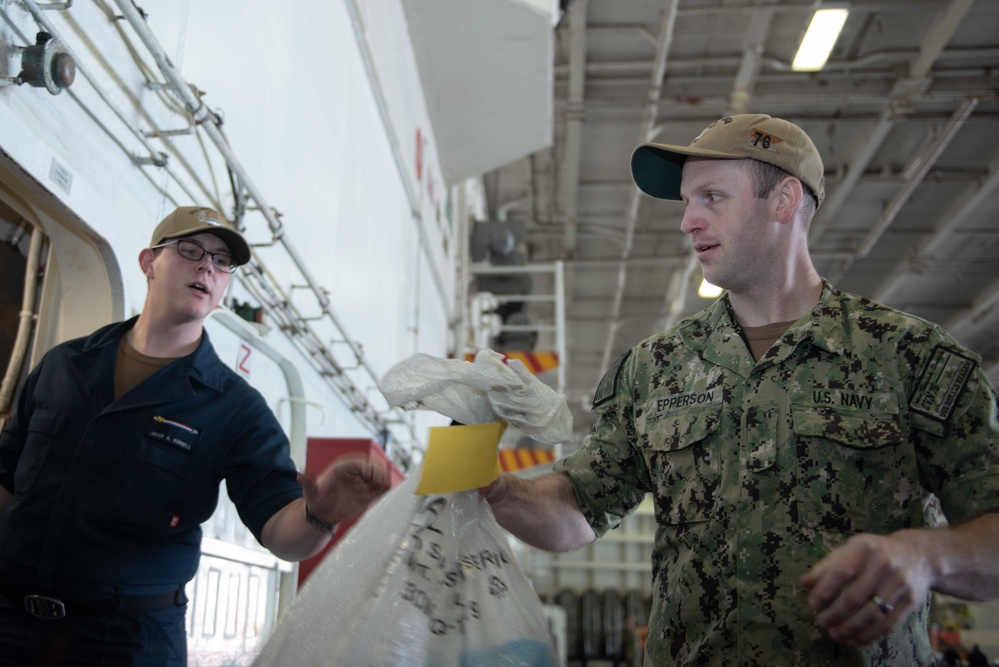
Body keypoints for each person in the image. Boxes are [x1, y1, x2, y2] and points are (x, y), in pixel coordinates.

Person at [484, 114, 999, 666]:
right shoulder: (655, 369)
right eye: (686, 202)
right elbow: (577, 511)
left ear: (783, 201)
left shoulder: (908, 357)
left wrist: (926, 557)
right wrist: (493, 488)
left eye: (711, 197)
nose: (688, 222)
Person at [0, 206, 390, 665]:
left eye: (222, 261)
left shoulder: (235, 407)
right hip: (9, 619)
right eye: (190, 250)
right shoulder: (64, 364)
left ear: (224, 286)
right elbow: (7, 481)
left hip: (126, 642)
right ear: (148, 262)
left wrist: (319, 515)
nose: (208, 265)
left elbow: (280, 531)